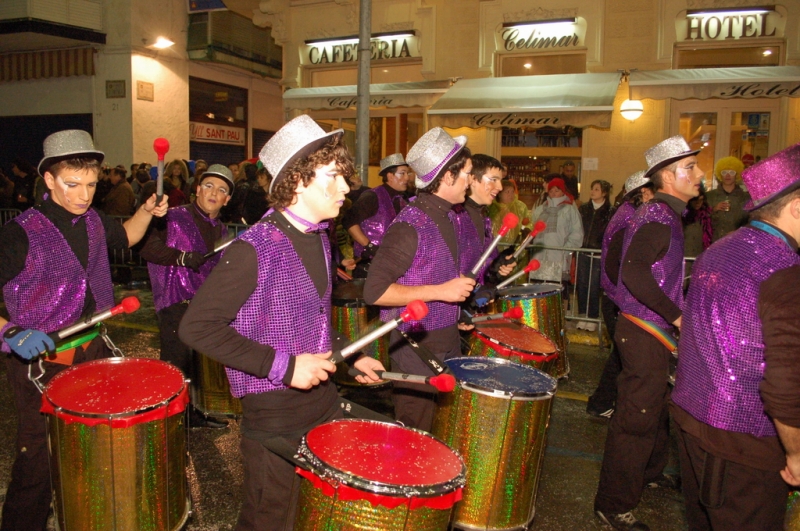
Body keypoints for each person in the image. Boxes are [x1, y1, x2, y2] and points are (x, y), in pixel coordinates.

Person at [178, 115, 383, 531]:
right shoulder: (253, 249)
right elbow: (197, 328)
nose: (346, 188)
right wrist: (286, 366)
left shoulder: (319, 236)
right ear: (297, 180)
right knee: (270, 519)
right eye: (333, 176)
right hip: (274, 414)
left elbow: (311, 321)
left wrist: (351, 354)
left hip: (320, 400)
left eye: (345, 177)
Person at [0, 129, 167, 531]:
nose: (84, 194)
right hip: (38, 358)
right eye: (73, 185)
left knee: (91, 445)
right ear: (49, 180)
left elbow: (126, 236)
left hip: (90, 347)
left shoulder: (93, 220)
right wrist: (8, 332)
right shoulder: (19, 232)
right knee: (39, 455)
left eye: (91, 184)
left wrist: (146, 209)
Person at [671, 143, 800, 531]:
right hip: (746, 439)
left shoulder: (720, 249)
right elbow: (784, 382)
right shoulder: (785, 271)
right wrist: (796, 452)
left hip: (693, 419)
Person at [595, 136, 703, 531]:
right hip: (644, 330)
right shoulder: (658, 217)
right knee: (636, 418)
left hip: (647, 329)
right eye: (690, 169)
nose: (699, 175)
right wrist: (677, 317)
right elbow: (635, 273)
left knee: (655, 410)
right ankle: (613, 504)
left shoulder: (662, 213)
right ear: (667, 177)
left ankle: (649, 472)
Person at [364, 127, 477, 432]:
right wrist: (442, 291)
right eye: (467, 173)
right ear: (448, 177)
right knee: (414, 435)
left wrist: (459, 310)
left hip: (447, 338)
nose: (472, 180)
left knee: (441, 431)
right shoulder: (408, 226)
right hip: (416, 347)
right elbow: (374, 291)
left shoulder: (452, 216)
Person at [141, 164, 236, 429]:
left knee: (195, 365)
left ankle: (191, 413)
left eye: (221, 189)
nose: (213, 193)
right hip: (174, 301)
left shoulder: (222, 231)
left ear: (227, 199)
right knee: (176, 364)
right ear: (197, 190)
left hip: (202, 307)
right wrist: (180, 258)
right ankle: (168, 422)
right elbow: (146, 247)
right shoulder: (171, 217)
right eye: (208, 186)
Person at [587, 171, 652, 419]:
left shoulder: (627, 214)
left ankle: (603, 402)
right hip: (617, 300)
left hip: (616, 297)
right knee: (624, 356)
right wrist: (625, 295)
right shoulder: (629, 218)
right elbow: (616, 263)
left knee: (622, 355)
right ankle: (604, 402)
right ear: (643, 193)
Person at [343, 153, 410, 278]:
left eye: (408, 173)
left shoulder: (401, 200)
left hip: (391, 265)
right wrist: (368, 245)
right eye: (402, 173)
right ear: (390, 176)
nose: (407, 178)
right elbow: (348, 220)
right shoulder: (373, 196)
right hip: (368, 267)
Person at [452, 153, 516, 284]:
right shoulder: (455, 215)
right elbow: (445, 266)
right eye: (493, 179)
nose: (500, 187)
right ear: (473, 180)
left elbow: (482, 261)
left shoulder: (483, 216)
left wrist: (497, 265)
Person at [529, 177, 584, 287]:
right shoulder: (540, 209)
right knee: (539, 289)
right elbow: (532, 228)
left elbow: (577, 233)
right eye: (551, 191)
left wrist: (566, 250)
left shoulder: (570, 210)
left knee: (558, 290)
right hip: (539, 256)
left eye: (557, 190)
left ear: (563, 192)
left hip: (559, 257)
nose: (553, 193)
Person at [576, 180, 614, 331]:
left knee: (593, 286)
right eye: (592, 189)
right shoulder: (584, 209)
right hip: (583, 251)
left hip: (597, 254)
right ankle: (582, 315)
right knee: (582, 285)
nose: (593, 192)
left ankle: (592, 316)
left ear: (604, 193)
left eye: (597, 189)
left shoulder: (610, 211)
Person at [706, 156, 751, 242]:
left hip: (736, 243)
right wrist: (713, 209)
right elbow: (699, 221)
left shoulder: (746, 198)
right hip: (712, 243)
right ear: (720, 174)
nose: (727, 175)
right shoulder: (709, 196)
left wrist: (739, 232)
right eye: (724, 172)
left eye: (731, 172)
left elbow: (752, 221)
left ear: (737, 175)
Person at [488, 179, 530, 245]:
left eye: (512, 192)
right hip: (495, 246)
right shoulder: (491, 207)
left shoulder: (520, 207)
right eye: (507, 192)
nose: (511, 195)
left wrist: (526, 231)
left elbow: (528, 222)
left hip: (515, 246)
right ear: (499, 194)